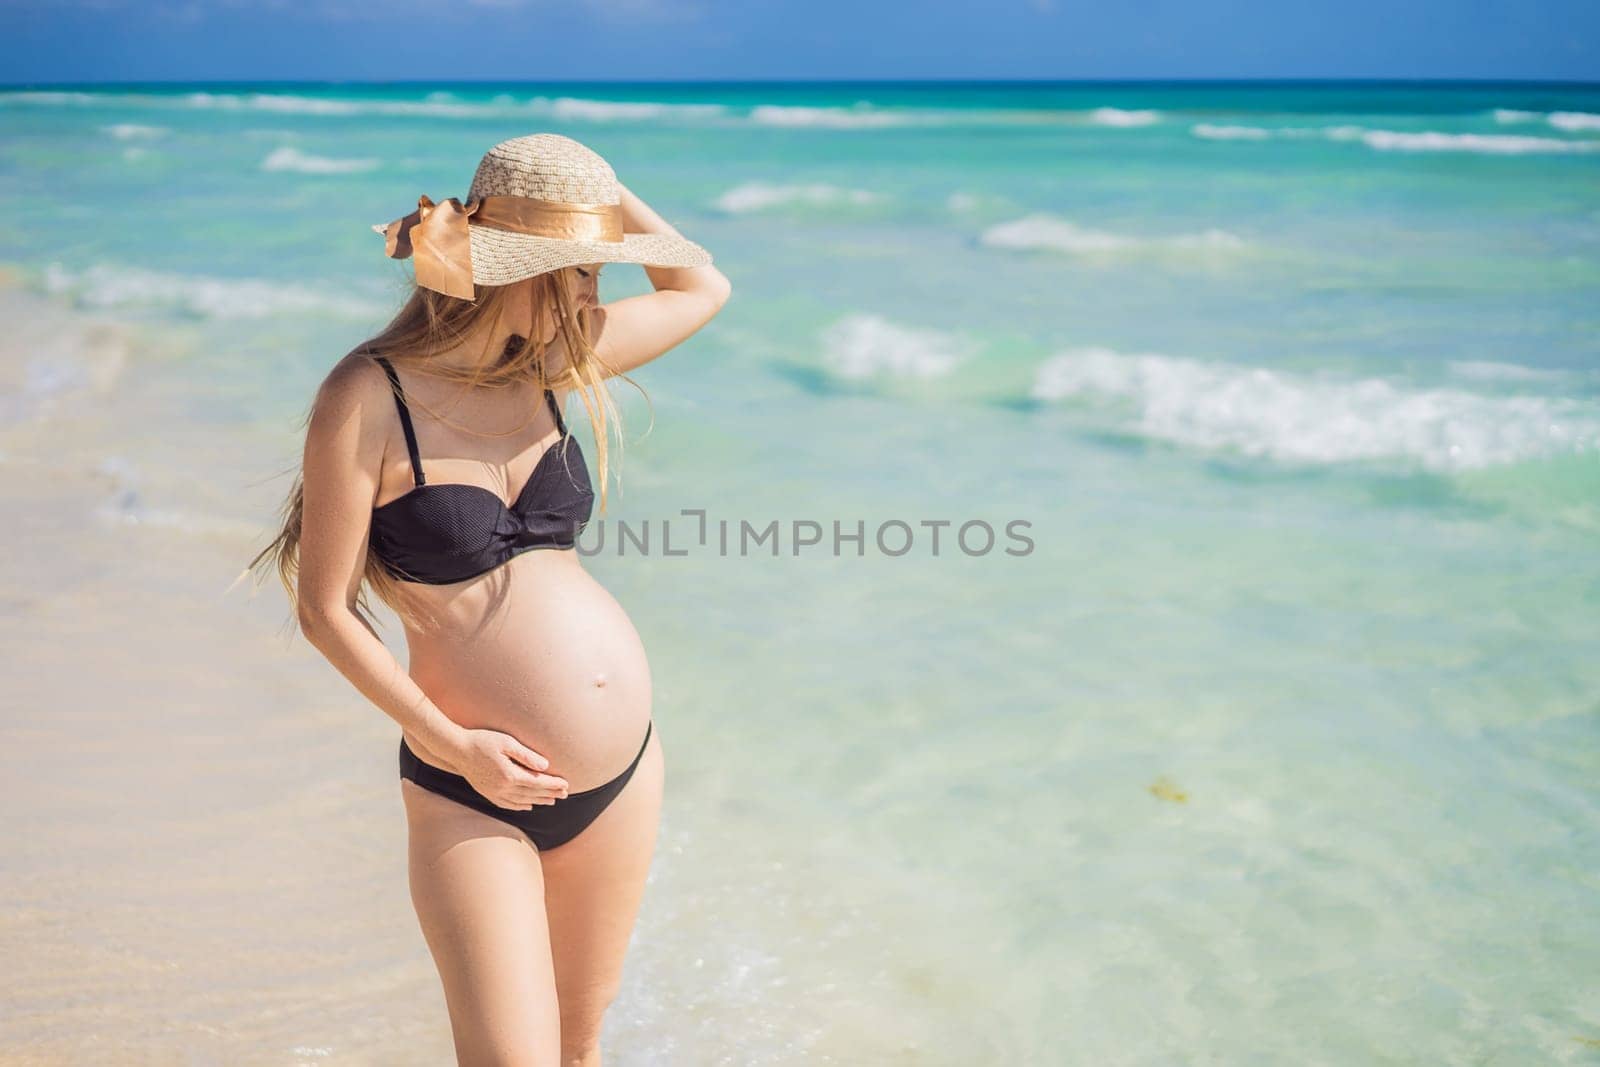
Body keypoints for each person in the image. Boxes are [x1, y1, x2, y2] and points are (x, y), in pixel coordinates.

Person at [244, 132, 732, 1066]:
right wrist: (449, 741)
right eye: (580, 273)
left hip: (621, 774)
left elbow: (700, 288)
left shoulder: (559, 361)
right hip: (470, 789)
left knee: (580, 1048)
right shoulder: (368, 394)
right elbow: (326, 609)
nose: (595, 296)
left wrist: (603, 194)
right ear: (520, 271)